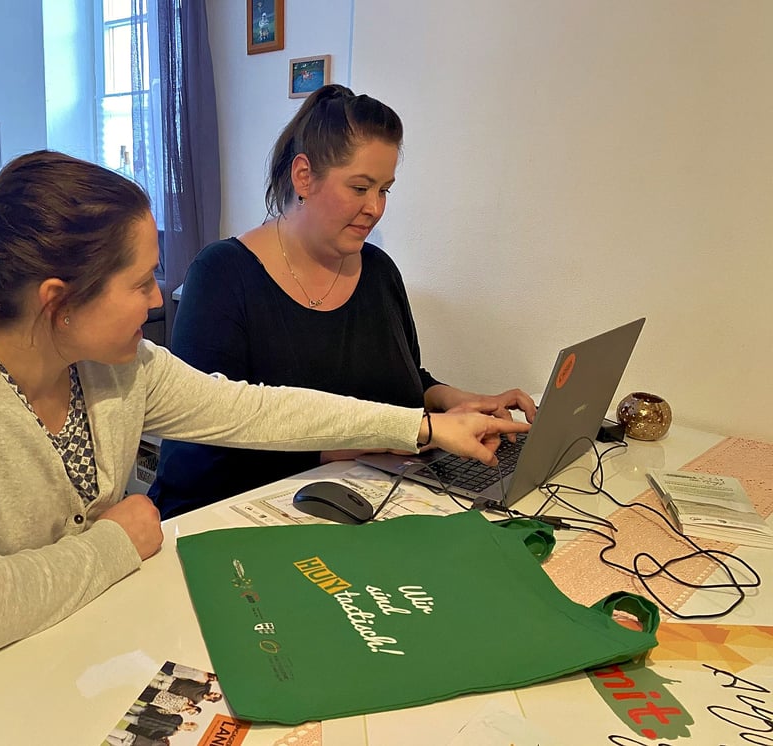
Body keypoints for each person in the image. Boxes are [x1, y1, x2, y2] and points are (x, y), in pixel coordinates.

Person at [0, 150, 527, 674]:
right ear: (60, 302)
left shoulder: (117, 368)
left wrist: (426, 427)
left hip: (35, 645)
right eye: (142, 280)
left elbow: (256, 412)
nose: (158, 300)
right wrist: (120, 539)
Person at [150, 84, 538, 518]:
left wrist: (453, 402)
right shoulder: (222, 275)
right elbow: (198, 451)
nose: (375, 207)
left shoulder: (379, 271)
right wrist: (374, 441)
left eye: (385, 190)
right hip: (237, 519)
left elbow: (399, 380)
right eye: (360, 187)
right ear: (304, 177)